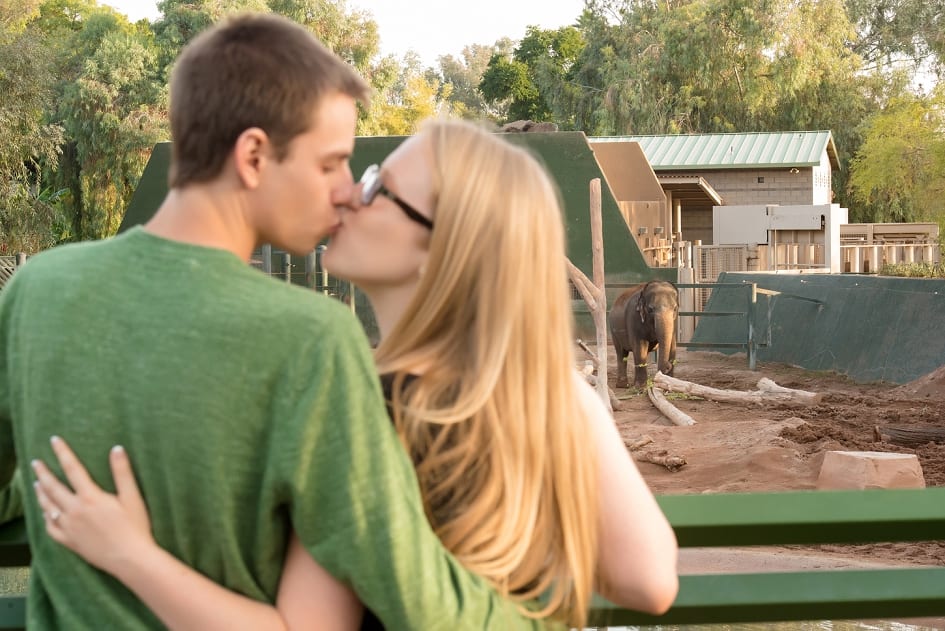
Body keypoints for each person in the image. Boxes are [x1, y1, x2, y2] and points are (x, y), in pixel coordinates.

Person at [1, 13, 546, 630]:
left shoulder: (35, 289)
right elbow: (416, 594)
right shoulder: (313, 338)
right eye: (330, 163)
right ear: (254, 156)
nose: (346, 191)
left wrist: (58, 469)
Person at [31, 118, 679, 629]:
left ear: (439, 247)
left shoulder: (355, 409)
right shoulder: (555, 396)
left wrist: (129, 555)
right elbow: (649, 580)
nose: (346, 192)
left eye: (376, 188)